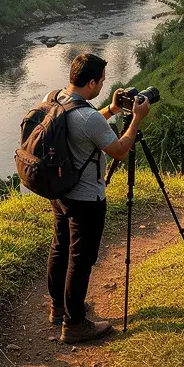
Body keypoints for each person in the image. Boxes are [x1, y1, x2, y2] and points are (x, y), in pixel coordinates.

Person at [45, 52, 149, 344]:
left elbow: (84, 128)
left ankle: (58, 308)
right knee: (80, 258)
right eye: (101, 80)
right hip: (86, 198)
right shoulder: (88, 118)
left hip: (60, 190)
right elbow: (118, 149)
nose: (103, 84)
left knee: (60, 246)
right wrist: (136, 120)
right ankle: (75, 323)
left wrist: (112, 110)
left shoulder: (55, 98)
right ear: (92, 82)